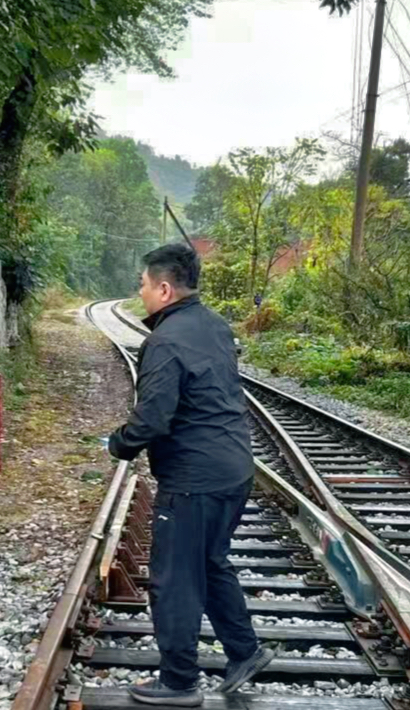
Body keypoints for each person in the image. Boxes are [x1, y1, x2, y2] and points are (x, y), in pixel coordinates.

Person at [107, 244, 274, 706]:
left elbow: (152, 419)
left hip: (194, 479)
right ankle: (244, 651)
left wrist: (119, 443)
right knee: (210, 561)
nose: (140, 292)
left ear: (164, 288)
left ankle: (179, 681)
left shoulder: (164, 341)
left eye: (143, 284)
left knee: (175, 578)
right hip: (234, 468)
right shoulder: (215, 325)